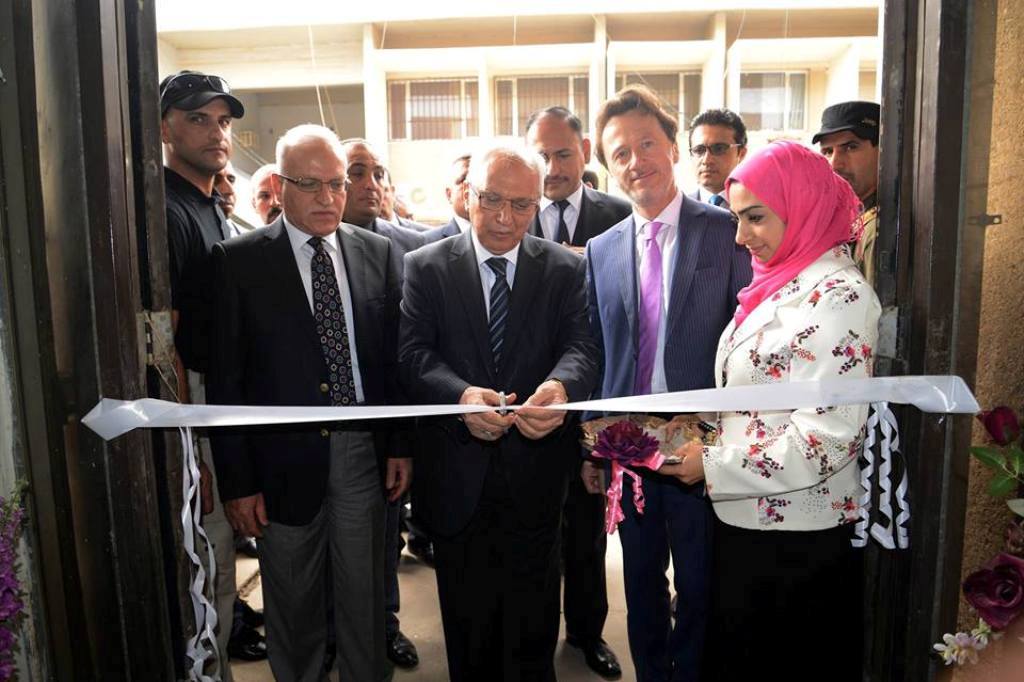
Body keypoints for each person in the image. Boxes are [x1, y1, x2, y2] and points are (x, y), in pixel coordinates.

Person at [661, 140, 880, 681]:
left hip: (796, 541)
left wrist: (712, 465)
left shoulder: (839, 295)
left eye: (755, 217)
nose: (741, 236)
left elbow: (828, 439)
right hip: (748, 522)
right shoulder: (779, 282)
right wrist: (700, 433)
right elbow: (760, 399)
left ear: (801, 206)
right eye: (737, 218)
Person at [207, 124, 411, 682]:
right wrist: (238, 484)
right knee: (293, 602)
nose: (328, 198)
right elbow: (227, 383)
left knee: (365, 597)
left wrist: (398, 445)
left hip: (362, 453)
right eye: (311, 185)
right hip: (280, 462)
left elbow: (391, 361)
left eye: (337, 184)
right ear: (279, 185)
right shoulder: (238, 262)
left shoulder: (377, 252)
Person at [398, 142, 599, 681]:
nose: (505, 218)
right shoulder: (425, 267)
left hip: (536, 472)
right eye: (491, 200)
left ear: (538, 204)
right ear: (468, 195)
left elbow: (582, 347)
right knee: (468, 623)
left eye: (522, 205)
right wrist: (460, 396)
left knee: (534, 618)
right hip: (457, 473)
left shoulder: (564, 268)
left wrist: (560, 387)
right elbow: (414, 354)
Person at [584, 85, 752, 682]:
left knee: (702, 584)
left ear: (674, 148)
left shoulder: (727, 233)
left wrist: (727, 437)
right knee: (640, 583)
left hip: (703, 445)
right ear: (610, 168)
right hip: (627, 448)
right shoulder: (600, 250)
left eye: (647, 144)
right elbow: (597, 350)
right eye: (620, 153)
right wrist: (593, 445)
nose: (637, 161)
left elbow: (745, 340)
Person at [159, 69, 266, 674]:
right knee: (211, 561)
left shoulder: (209, 203)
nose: (216, 132)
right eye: (198, 118)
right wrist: (186, 442)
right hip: (194, 401)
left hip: (223, 398)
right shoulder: (167, 210)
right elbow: (165, 340)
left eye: (223, 121)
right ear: (164, 128)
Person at [525, 105, 631, 679]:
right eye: (540, 155)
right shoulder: (513, 214)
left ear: (585, 151)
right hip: (530, 407)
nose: (551, 168)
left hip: (594, 402)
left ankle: (588, 634)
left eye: (562, 153)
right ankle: (534, 640)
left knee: (589, 533)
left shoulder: (619, 216)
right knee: (537, 533)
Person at [337, 137, 423, 669]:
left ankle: (385, 626)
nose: (370, 184)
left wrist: (402, 439)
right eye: (356, 172)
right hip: (317, 434)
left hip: (384, 429)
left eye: (377, 173)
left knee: (384, 540)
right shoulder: (290, 250)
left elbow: (405, 354)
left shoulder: (405, 247)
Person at [526, 106, 631, 257]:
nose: (552, 171)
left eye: (563, 155)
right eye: (542, 158)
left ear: (586, 151)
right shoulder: (508, 219)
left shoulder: (623, 216)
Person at [813, 100, 880, 284]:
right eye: (828, 151)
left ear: (882, 150)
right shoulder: (833, 218)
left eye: (851, 147)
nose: (835, 164)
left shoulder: (877, 229)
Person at [686, 108, 748, 209]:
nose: (707, 160)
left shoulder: (761, 209)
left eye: (719, 149)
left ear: (741, 154)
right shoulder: (678, 211)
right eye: (699, 150)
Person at [423, 152, 472, 243]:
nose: (472, 188)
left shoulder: (500, 240)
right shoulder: (426, 242)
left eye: (477, 181)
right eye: (463, 180)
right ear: (449, 194)